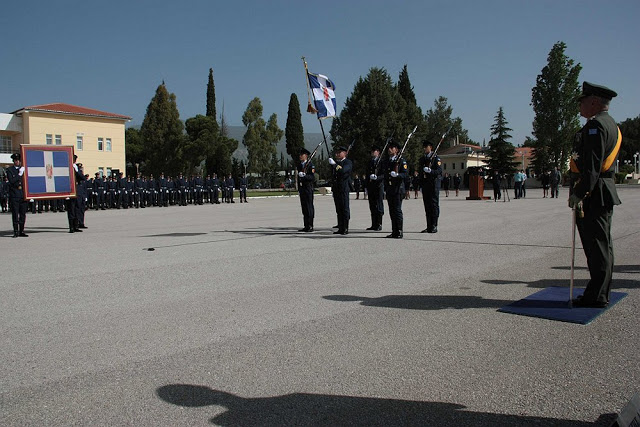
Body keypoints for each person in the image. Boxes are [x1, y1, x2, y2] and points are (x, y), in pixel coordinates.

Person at [569, 81, 622, 308]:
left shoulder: (596, 127)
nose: (580, 105)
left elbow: (592, 167)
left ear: (594, 102)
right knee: (603, 244)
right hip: (602, 190)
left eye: (582, 101)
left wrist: (579, 194)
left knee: (596, 246)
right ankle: (600, 291)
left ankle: (597, 295)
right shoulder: (612, 125)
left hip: (594, 192)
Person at [384, 142, 407, 238]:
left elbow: (405, 174)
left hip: (398, 189)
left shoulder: (402, 161)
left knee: (397, 210)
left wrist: (398, 175)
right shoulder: (387, 161)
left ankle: (399, 231)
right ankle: (394, 231)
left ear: (396, 150)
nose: (390, 149)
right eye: (389, 148)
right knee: (391, 211)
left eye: (392, 148)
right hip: (390, 189)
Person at [419, 140, 442, 233]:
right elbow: (421, 173)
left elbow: (439, 171)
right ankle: (429, 226)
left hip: (433, 185)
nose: (425, 148)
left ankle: (434, 225)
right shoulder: (423, 159)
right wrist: (421, 185)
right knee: (427, 206)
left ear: (431, 147)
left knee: (434, 205)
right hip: (426, 185)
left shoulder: (436, 158)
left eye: (426, 146)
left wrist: (430, 171)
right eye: (424, 147)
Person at [329, 146, 352, 235]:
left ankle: (345, 228)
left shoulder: (348, 162)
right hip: (336, 188)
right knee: (338, 209)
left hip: (343, 188)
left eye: (340, 152)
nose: (337, 154)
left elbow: (343, 171)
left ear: (345, 153)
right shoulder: (336, 163)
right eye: (337, 152)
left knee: (344, 208)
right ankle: (340, 227)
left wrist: (334, 165)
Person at [5, 153, 28, 237]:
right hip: (14, 195)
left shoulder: (23, 169)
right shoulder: (10, 170)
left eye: (18, 160)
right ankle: (15, 231)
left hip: (23, 194)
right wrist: (19, 174)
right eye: (16, 160)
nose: (17, 161)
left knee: (23, 214)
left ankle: (21, 231)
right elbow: (11, 181)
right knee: (15, 214)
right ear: (13, 161)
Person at [365, 145, 384, 231]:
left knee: (378, 205)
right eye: (372, 151)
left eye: (375, 151)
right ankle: (373, 224)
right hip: (371, 186)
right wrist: (366, 185)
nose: (373, 152)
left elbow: (384, 174)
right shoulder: (370, 162)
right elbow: (367, 173)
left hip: (379, 186)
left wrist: (377, 178)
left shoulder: (382, 162)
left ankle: (379, 224)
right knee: (372, 205)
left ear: (378, 152)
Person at [297, 148, 315, 232]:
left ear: (306, 155)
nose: (300, 156)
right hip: (302, 189)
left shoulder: (310, 165)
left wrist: (304, 176)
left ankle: (310, 225)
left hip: (308, 188)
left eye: (302, 154)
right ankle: (306, 225)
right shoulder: (300, 165)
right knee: (304, 207)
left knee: (309, 207)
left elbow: (312, 177)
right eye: (300, 154)